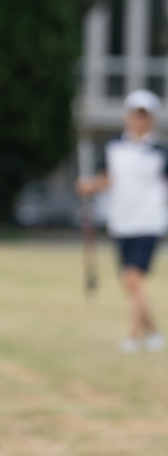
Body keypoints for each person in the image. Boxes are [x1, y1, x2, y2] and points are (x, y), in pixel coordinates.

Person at [77, 88, 167, 352]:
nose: (139, 120)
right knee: (130, 282)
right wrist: (89, 186)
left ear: (152, 118)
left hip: (149, 221)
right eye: (135, 114)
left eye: (144, 115)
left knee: (132, 278)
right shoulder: (113, 147)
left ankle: (133, 335)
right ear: (127, 116)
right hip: (121, 222)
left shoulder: (161, 151)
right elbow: (106, 180)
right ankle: (154, 333)